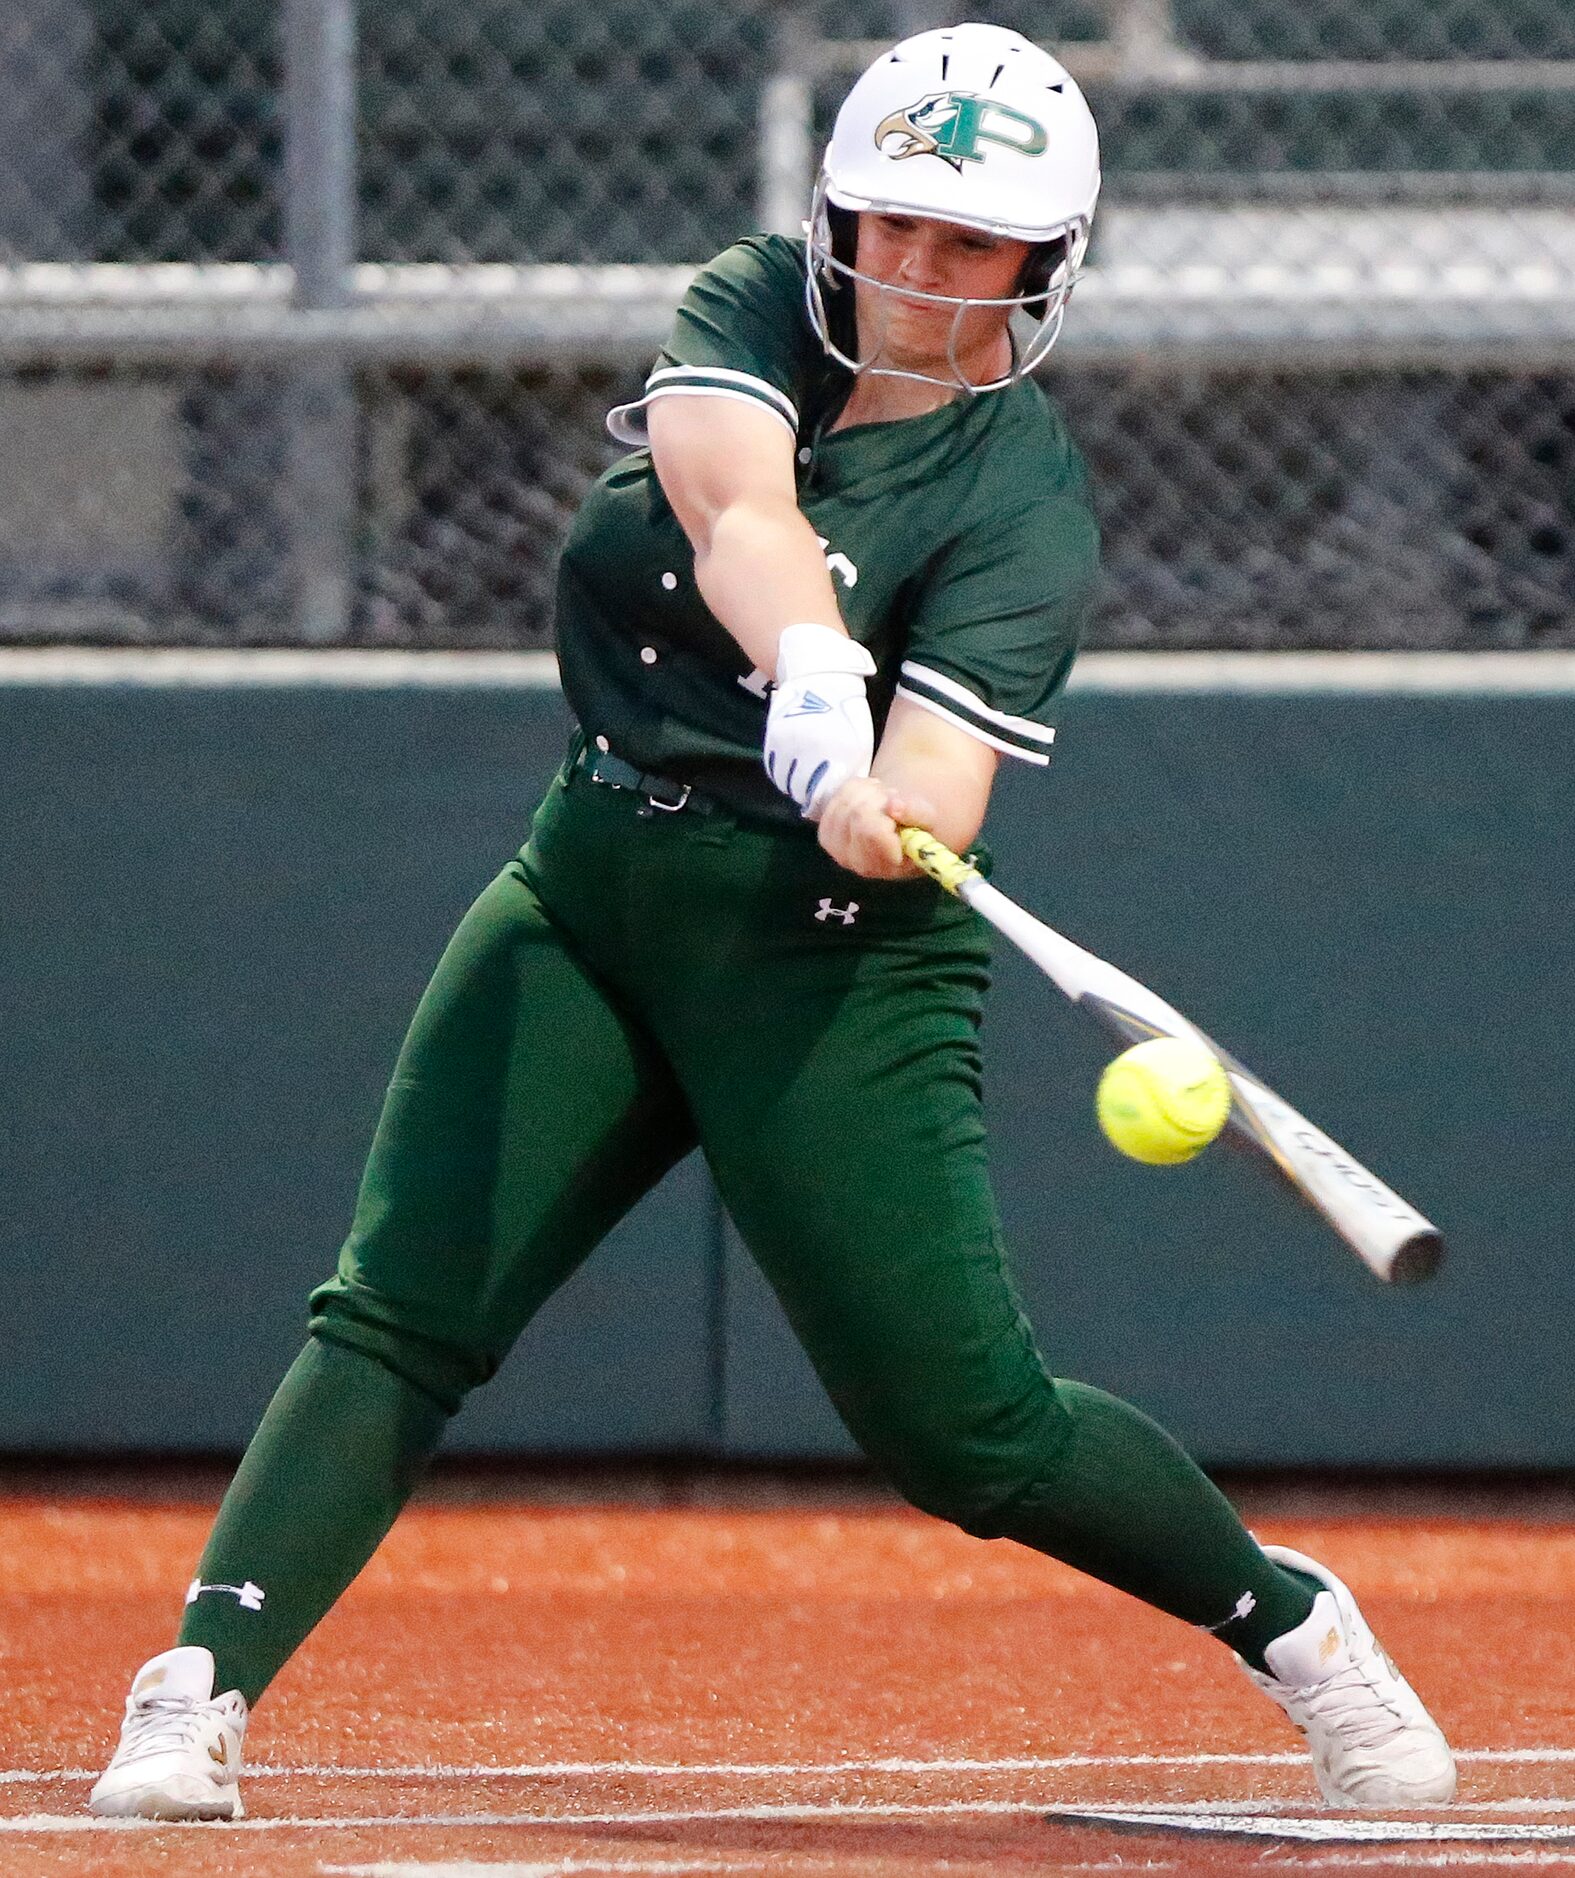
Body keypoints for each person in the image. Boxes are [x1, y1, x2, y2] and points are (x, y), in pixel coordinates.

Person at [90, 22, 1455, 1823]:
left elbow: (938, 803)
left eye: (967, 247)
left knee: (964, 1434)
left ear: (1043, 268)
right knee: (401, 1307)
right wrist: (809, 656)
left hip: (827, 952)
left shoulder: (1022, 502)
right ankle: (199, 1682)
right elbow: (732, 492)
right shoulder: (752, 305)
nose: (912, 274)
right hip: (590, 886)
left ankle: (1294, 1624)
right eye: (888, 224)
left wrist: (874, 800)